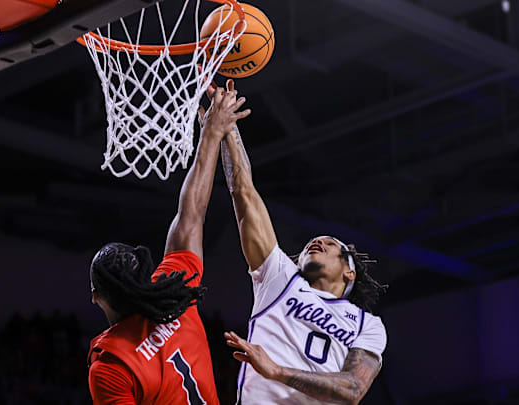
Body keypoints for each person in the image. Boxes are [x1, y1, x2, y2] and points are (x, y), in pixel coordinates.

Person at [215, 79, 388, 404]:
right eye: (312, 242)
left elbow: (353, 389)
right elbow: (244, 193)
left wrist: (276, 371)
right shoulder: (279, 277)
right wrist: (227, 128)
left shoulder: (368, 324)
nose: (316, 243)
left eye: (330, 244)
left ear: (349, 271)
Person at [87, 81, 251, 404]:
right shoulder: (175, 295)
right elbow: (191, 214)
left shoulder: (112, 365)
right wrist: (212, 134)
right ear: (146, 275)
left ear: (96, 297)